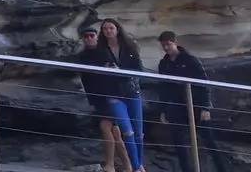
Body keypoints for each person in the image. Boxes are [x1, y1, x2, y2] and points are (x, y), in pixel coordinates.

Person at [157, 31, 230, 172]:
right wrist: (163, 110)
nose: (166, 48)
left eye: (168, 44)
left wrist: (205, 107)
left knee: (209, 140)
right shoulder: (164, 64)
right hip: (176, 106)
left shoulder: (190, 60)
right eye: (163, 45)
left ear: (175, 42)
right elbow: (163, 88)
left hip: (196, 104)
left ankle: (222, 169)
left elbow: (203, 83)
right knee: (179, 142)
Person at [77, 27, 133, 172]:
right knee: (115, 132)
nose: (89, 38)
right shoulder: (82, 55)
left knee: (105, 127)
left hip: (111, 96)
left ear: (97, 37)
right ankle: (128, 166)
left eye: (91, 35)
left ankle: (110, 165)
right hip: (97, 98)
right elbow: (88, 74)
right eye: (86, 36)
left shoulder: (104, 51)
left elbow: (112, 70)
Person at [97, 18, 147, 172]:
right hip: (113, 93)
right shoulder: (101, 50)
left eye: (111, 28)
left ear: (117, 29)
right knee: (127, 131)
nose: (108, 31)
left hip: (132, 91)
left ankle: (139, 165)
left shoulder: (129, 46)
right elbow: (97, 73)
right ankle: (137, 167)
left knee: (138, 132)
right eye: (105, 29)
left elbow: (139, 69)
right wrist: (105, 68)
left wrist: (120, 70)